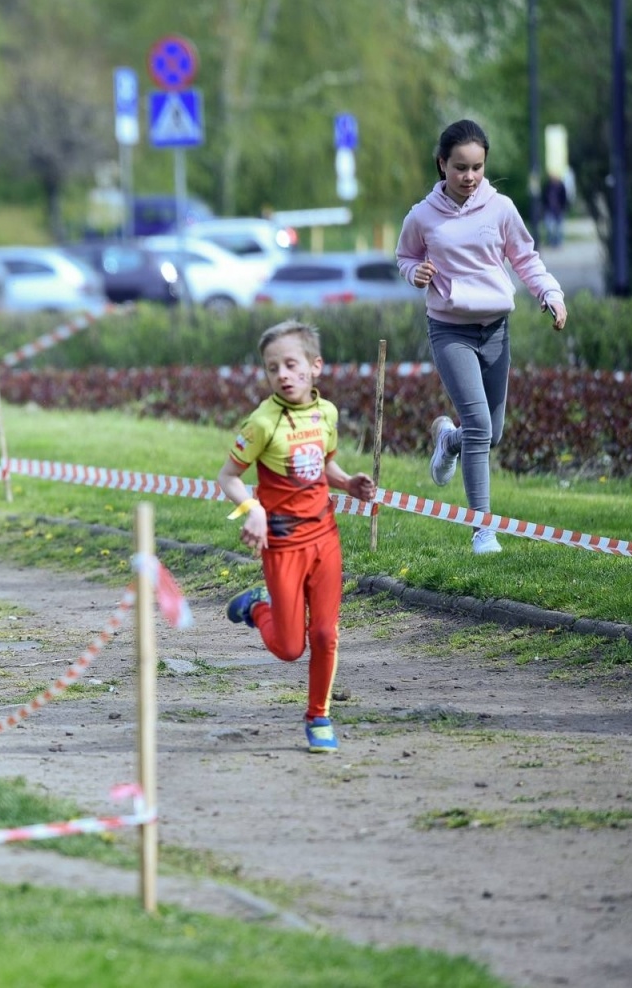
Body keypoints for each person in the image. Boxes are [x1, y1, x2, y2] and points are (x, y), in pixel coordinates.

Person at [396, 120, 568, 555]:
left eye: (476, 167)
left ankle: (446, 440)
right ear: (442, 164)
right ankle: (483, 531)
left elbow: (526, 258)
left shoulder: (501, 208)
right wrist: (414, 273)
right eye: (459, 168)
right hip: (450, 330)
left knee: (490, 434)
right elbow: (405, 256)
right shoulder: (422, 216)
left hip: (495, 329)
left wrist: (550, 292)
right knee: (479, 426)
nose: (469, 177)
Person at [218, 320, 376, 755]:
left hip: (324, 537)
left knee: (325, 634)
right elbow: (228, 476)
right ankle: (258, 607)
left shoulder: (326, 414)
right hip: (283, 545)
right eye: (273, 368)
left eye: (291, 364)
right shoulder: (262, 424)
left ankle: (318, 716)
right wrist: (253, 511)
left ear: (314, 366)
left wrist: (348, 484)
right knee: (290, 648)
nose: (283, 375)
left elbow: (323, 466)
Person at [541, 174, 568, 248]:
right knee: (549, 227)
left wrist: (563, 208)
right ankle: (551, 242)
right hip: (549, 209)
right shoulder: (547, 186)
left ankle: (558, 242)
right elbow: (544, 197)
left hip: (559, 210)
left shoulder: (561, 186)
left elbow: (564, 198)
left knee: (559, 228)